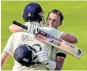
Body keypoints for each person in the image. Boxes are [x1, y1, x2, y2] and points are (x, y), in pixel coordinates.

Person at [8, 9, 78, 70]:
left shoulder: (60, 40)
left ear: (60, 24)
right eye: (49, 19)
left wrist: (48, 63)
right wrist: (26, 27)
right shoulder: (38, 28)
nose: (50, 23)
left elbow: (74, 39)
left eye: (54, 21)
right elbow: (11, 27)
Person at [1, 2, 56, 71]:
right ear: (40, 16)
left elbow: (1, 61)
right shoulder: (50, 33)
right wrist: (49, 63)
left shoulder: (15, 35)